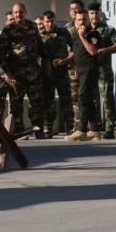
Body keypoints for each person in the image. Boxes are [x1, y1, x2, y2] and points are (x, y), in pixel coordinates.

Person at [0, 1, 50, 138]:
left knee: (37, 103)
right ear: (13, 13)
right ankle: (18, 131)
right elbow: (2, 53)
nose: (18, 14)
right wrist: (7, 72)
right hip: (17, 75)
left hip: (34, 73)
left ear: (25, 12)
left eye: (21, 12)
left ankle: (37, 129)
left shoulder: (33, 27)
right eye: (16, 12)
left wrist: (46, 65)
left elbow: (41, 48)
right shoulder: (8, 30)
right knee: (16, 104)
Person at [88, 2, 116, 139]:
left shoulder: (108, 29)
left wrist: (105, 50)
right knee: (92, 100)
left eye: (96, 13)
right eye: (91, 13)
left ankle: (109, 128)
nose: (94, 15)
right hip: (89, 71)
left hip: (104, 71)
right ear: (88, 14)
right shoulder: (84, 30)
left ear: (100, 13)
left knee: (107, 100)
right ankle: (94, 127)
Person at [67, 7, 102, 140]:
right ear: (75, 21)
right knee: (87, 99)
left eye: (84, 20)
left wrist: (83, 36)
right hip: (79, 70)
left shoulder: (93, 34)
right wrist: (64, 61)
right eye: (79, 20)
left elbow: (93, 51)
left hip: (89, 69)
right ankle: (94, 129)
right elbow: (76, 54)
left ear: (88, 20)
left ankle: (81, 129)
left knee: (82, 97)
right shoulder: (75, 34)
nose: (81, 22)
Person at [40, 9, 73, 137]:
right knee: (49, 101)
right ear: (43, 22)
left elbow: (74, 49)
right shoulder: (39, 35)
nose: (50, 24)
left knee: (66, 100)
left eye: (52, 21)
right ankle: (48, 128)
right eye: (47, 22)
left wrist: (65, 61)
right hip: (47, 73)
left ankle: (70, 127)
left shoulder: (63, 32)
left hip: (62, 72)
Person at [65, 0, 85, 128]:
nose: (73, 11)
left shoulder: (86, 26)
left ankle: (89, 124)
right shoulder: (66, 28)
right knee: (73, 98)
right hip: (71, 68)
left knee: (85, 96)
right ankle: (76, 125)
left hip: (84, 67)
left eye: (76, 9)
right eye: (71, 9)